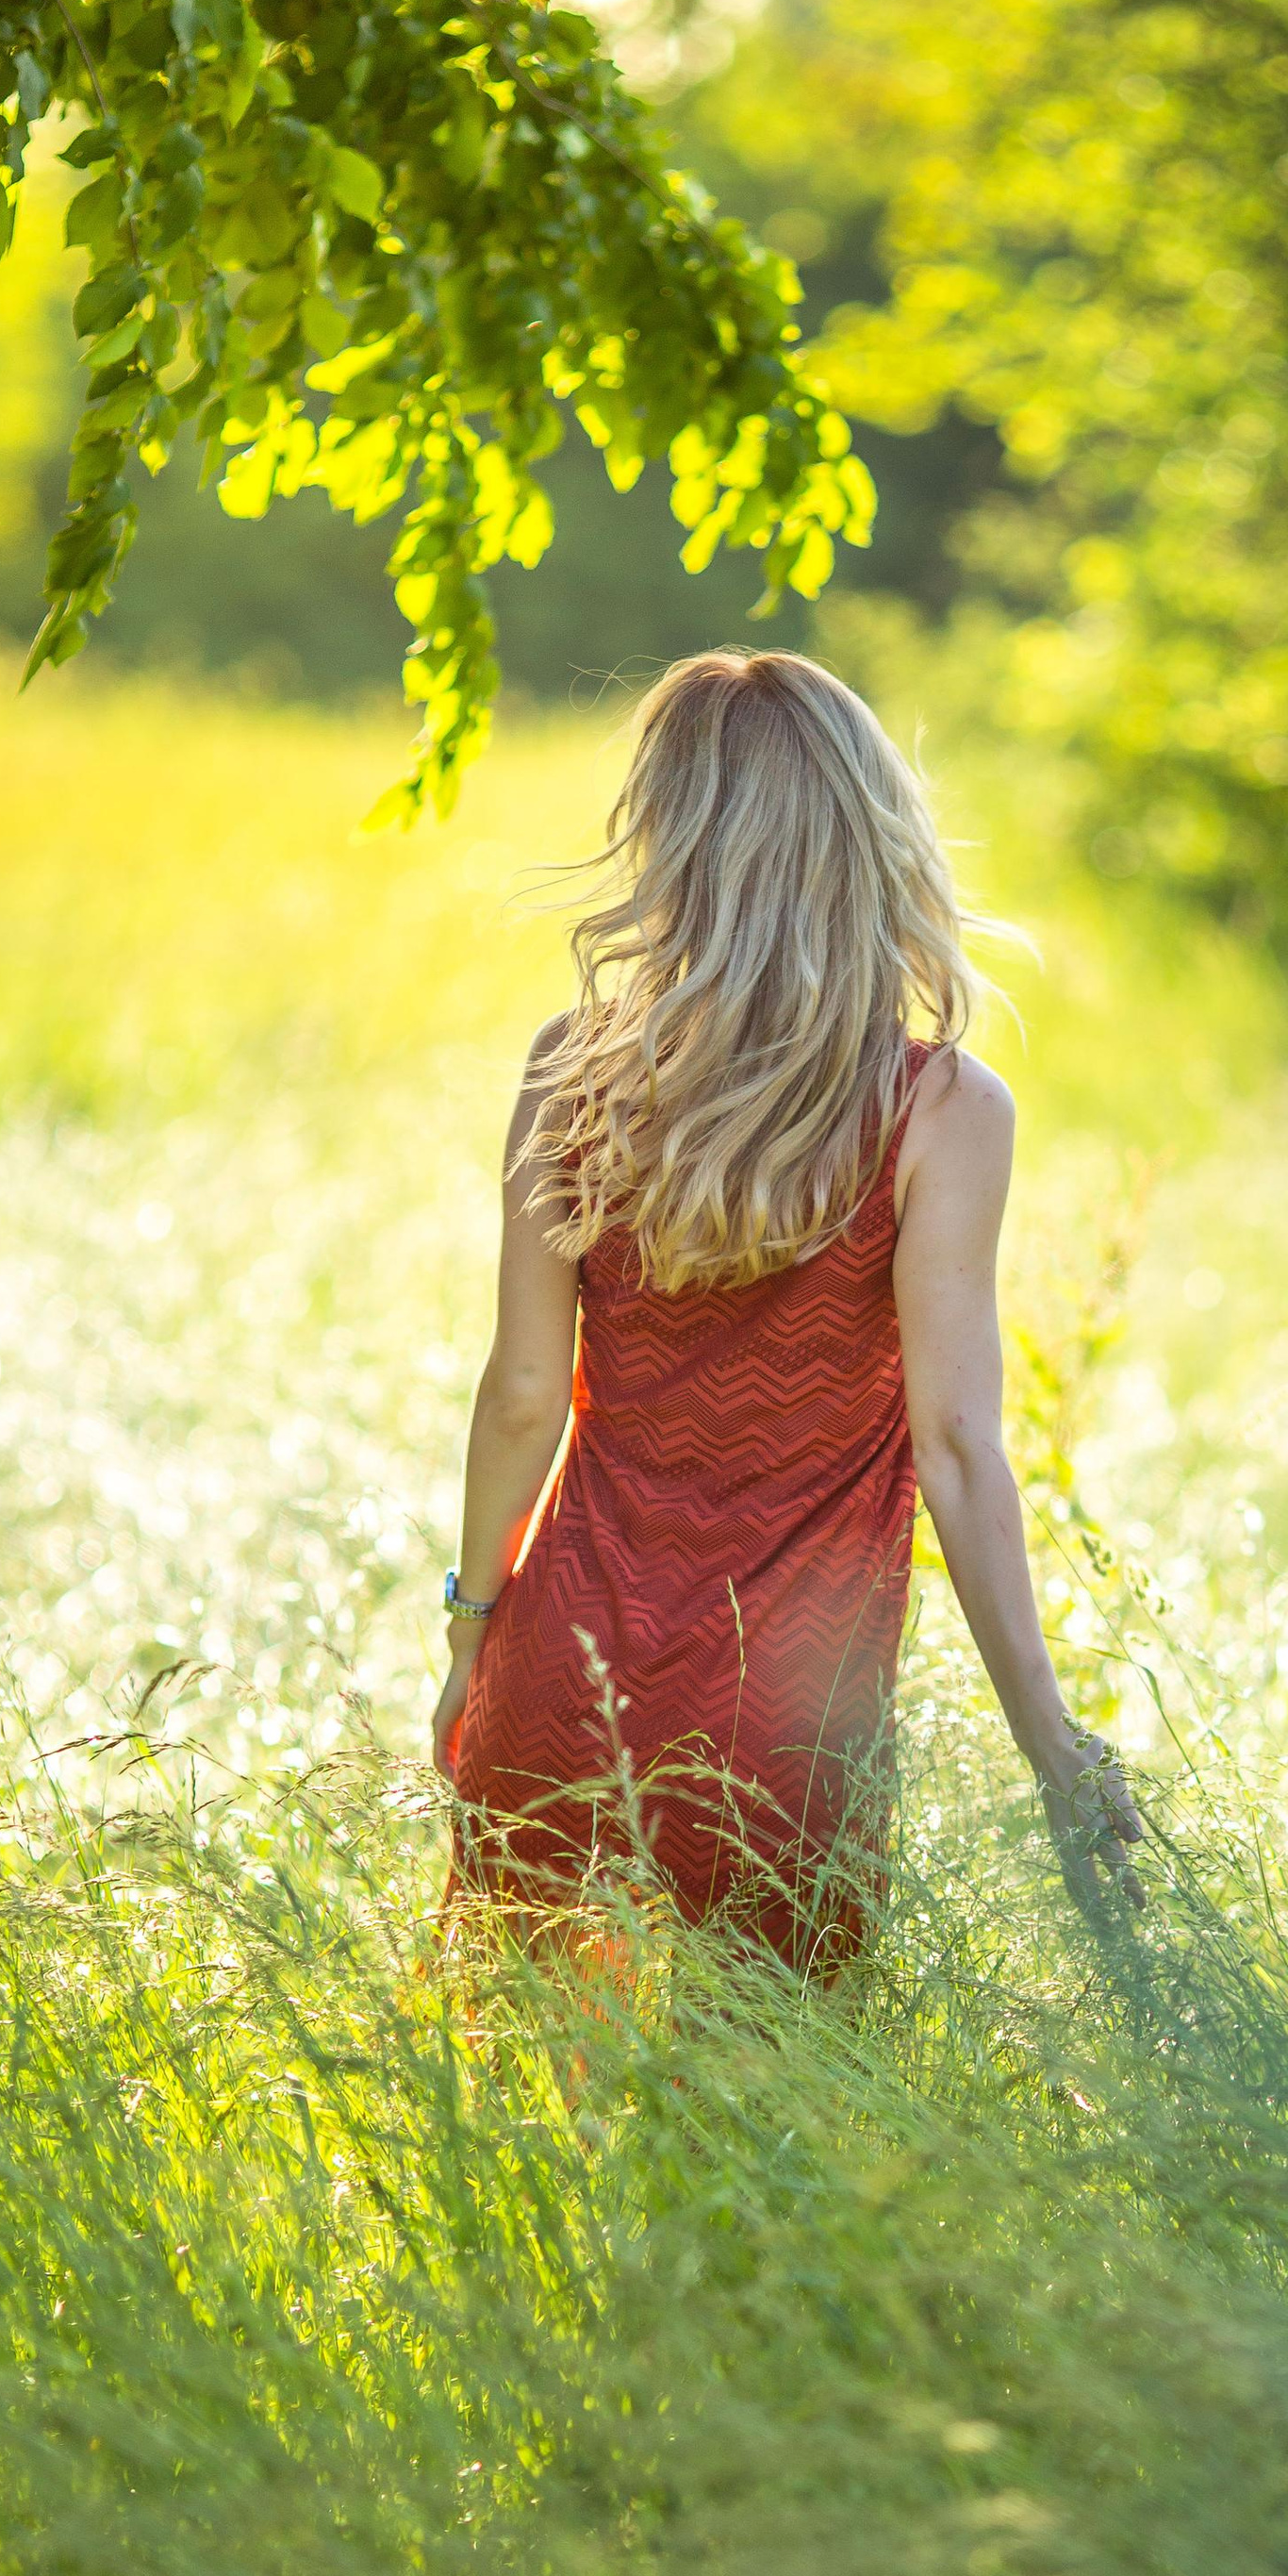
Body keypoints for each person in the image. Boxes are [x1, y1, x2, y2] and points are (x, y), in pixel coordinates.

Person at [434, 648, 1139, 1968]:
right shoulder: (943, 1111)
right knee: (763, 2146)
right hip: (783, 1725)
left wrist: (472, 1640)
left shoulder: (571, 1067)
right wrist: (1053, 1748)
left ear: (670, 840)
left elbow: (524, 1397)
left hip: (557, 1682)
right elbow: (960, 1451)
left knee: (529, 2141)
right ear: (870, 841)